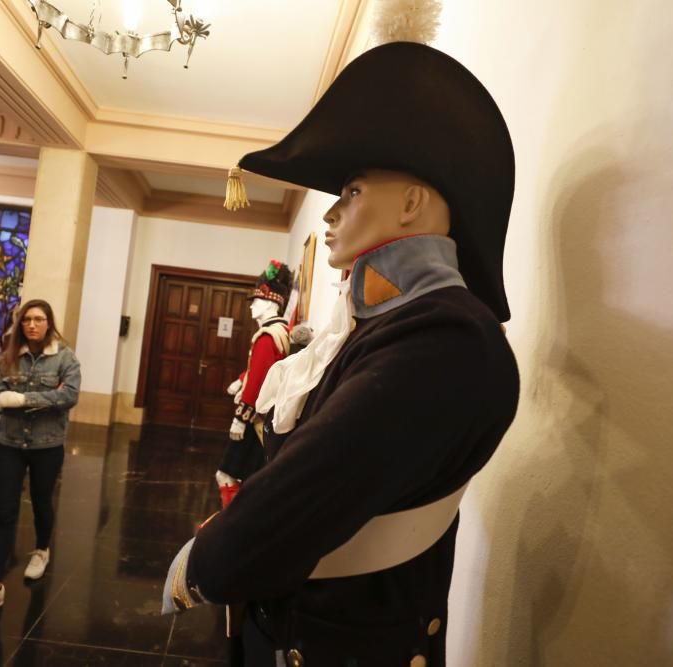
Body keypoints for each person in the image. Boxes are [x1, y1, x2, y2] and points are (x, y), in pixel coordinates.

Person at [164, 39, 520, 666]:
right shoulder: (396, 323)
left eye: (351, 190)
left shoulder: (447, 337)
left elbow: (309, 486)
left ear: (413, 203)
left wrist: (208, 562)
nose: (330, 213)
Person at [0, 298, 80, 618]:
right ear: (20, 323)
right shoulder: (7, 359)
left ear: (49, 322)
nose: (32, 324)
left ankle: (41, 550)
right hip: (10, 443)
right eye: (27, 319)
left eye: (39, 319)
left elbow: (68, 396)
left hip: (47, 444)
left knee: (42, 500)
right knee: (5, 511)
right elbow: (0, 398)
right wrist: (44, 398)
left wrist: (24, 398)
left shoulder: (65, 359)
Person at [216, 260, 293, 507]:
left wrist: (240, 418)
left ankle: (230, 523)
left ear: (272, 302)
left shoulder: (267, 337)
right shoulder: (281, 330)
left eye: (256, 301)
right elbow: (258, 371)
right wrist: (241, 380)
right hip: (265, 415)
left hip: (254, 417)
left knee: (227, 474)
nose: (252, 306)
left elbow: (260, 380)